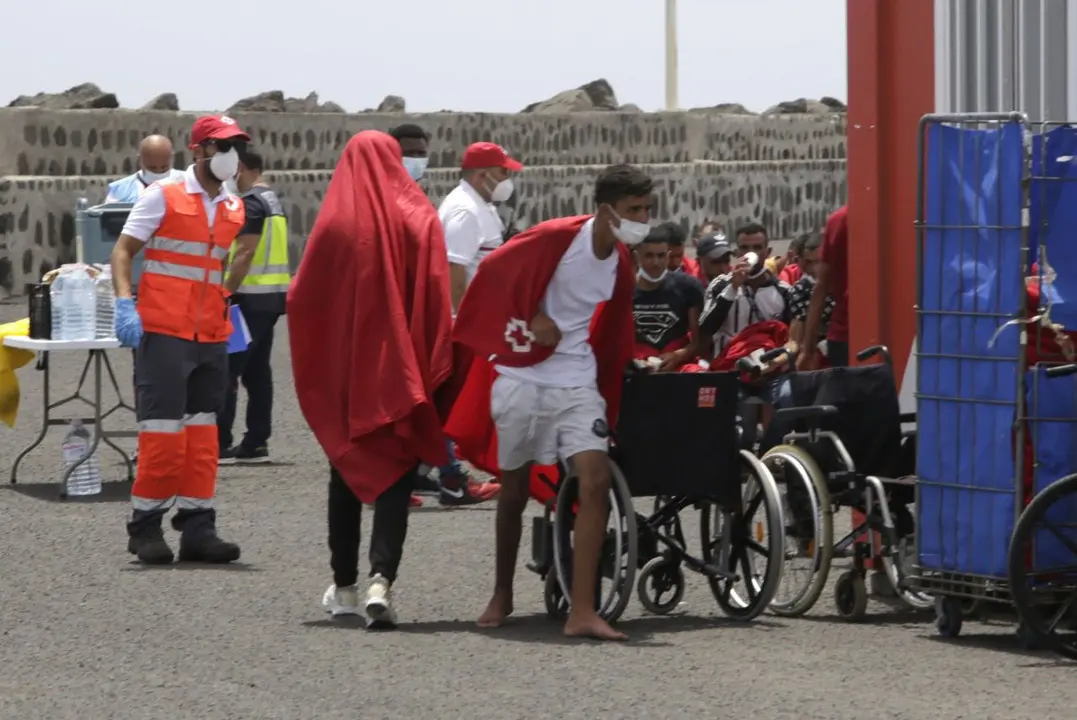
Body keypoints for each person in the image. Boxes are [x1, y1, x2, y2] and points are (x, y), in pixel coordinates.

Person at [447, 163, 650, 641]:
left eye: (647, 208)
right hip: (523, 377)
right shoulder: (557, 238)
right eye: (633, 210)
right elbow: (491, 274)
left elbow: (617, 327)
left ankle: (582, 610)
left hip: (577, 381)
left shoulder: (621, 260)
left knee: (594, 479)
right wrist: (534, 314)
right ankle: (502, 592)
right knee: (513, 491)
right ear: (606, 211)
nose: (643, 218)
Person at [288, 131, 456, 628]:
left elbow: (301, 299)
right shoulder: (419, 215)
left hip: (347, 376)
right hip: (398, 372)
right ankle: (382, 579)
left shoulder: (335, 223)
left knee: (346, 469)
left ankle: (343, 587)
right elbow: (434, 292)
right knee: (396, 475)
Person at [110, 115, 254, 565]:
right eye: (222, 145)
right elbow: (123, 251)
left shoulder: (234, 207)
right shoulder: (163, 196)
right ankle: (146, 527)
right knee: (162, 434)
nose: (232, 153)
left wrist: (224, 300)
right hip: (165, 331)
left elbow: (216, 266)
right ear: (199, 151)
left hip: (210, 334)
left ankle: (198, 526)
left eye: (236, 145)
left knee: (203, 436)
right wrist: (123, 302)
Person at [433, 142, 523, 506]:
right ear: (481, 173)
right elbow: (455, 271)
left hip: (474, 321)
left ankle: (432, 473)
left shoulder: (479, 207)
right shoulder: (464, 211)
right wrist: (466, 323)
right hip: (464, 325)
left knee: (457, 403)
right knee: (457, 405)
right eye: (503, 172)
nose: (507, 180)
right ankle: (452, 480)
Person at [217, 147, 291, 465]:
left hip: (247, 298)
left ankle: (219, 442)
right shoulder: (272, 201)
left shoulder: (250, 204)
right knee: (258, 372)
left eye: (234, 171)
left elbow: (245, 253)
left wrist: (224, 292)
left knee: (227, 370)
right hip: (271, 299)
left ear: (243, 169)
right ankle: (256, 441)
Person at [698, 222, 791, 361]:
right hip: (726, 367)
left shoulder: (783, 291)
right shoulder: (721, 284)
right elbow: (705, 328)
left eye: (757, 247)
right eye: (744, 247)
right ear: (737, 252)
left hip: (768, 370)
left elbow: (789, 337)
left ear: (768, 252)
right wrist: (732, 288)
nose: (750, 252)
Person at [633, 224, 704, 368]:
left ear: (667, 255)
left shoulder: (688, 287)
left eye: (661, 256)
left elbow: (698, 343)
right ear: (637, 256)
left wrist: (678, 355)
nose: (656, 263)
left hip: (678, 365)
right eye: (649, 256)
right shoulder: (621, 289)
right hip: (635, 366)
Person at [799, 205, 849, 370]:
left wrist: (807, 350)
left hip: (843, 335)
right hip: (844, 335)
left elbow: (821, 285)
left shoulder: (839, 220)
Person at [787, 232, 835, 356]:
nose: (816, 268)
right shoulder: (800, 290)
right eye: (810, 262)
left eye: (820, 262)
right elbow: (795, 340)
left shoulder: (847, 284)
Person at [104, 135, 186, 204]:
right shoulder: (120, 190)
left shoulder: (187, 181)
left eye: (164, 167)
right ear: (140, 160)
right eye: (152, 168)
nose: (158, 172)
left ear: (171, 158)